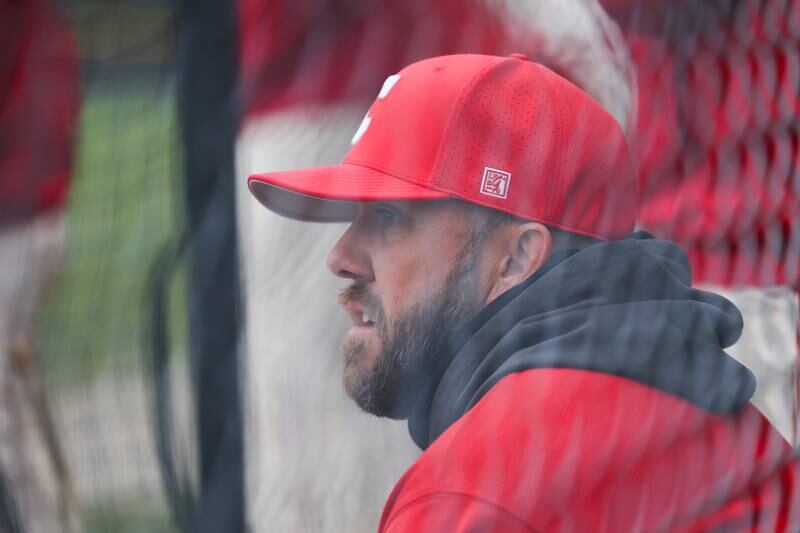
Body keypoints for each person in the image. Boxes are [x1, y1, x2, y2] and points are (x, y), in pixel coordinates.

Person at [247, 53, 800, 531]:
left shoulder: (472, 495)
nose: (340, 258)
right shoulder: (738, 434)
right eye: (354, 216)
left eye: (389, 218)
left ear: (515, 257)